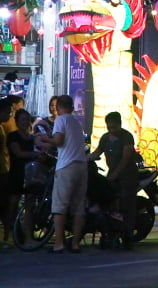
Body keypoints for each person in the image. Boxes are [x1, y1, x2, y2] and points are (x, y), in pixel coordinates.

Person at [36, 95, 87, 253]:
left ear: (58, 108)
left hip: (66, 166)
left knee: (60, 206)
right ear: (72, 107)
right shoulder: (77, 123)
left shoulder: (60, 119)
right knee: (78, 206)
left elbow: (58, 140)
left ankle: (59, 243)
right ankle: (76, 244)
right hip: (82, 166)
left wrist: (44, 138)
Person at [88, 111, 138, 248]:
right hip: (112, 174)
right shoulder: (105, 138)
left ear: (119, 125)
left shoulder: (126, 137)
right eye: (109, 127)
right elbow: (97, 152)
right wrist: (83, 159)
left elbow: (125, 158)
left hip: (127, 175)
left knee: (126, 204)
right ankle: (108, 232)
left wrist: (116, 173)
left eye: (114, 127)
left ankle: (128, 235)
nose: (112, 130)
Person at [6, 109, 40, 246]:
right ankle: (8, 237)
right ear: (16, 121)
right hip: (16, 174)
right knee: (12, 206)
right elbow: (18, 153)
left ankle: (27, 237)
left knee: (30, 207)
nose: (25, 122)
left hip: (30, 175)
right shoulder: (13, 136)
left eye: (27, 119)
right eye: (22, 119)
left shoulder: (32, 137)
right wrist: (35, 155)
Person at [0, 98, 12, 247]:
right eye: (8, 112)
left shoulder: (2, 127)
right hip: (2, 170)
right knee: (4, 204)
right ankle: (5, 237)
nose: (9, 115)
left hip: (4, 169)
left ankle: (6, 237)